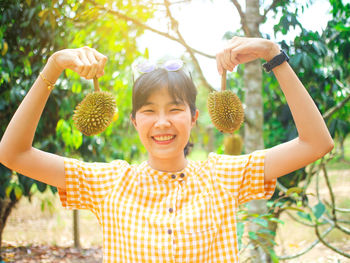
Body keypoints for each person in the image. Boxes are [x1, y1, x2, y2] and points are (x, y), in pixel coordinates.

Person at [0, 37, 334, 262]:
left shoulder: (222, 176)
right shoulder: (109, 183)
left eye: (175, 109)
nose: (162, 122)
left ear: (193, 117)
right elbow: (13, 153)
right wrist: (54, 65)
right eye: (148, 111)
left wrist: (272, 55)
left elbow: (316, 143)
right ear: (133, 121)